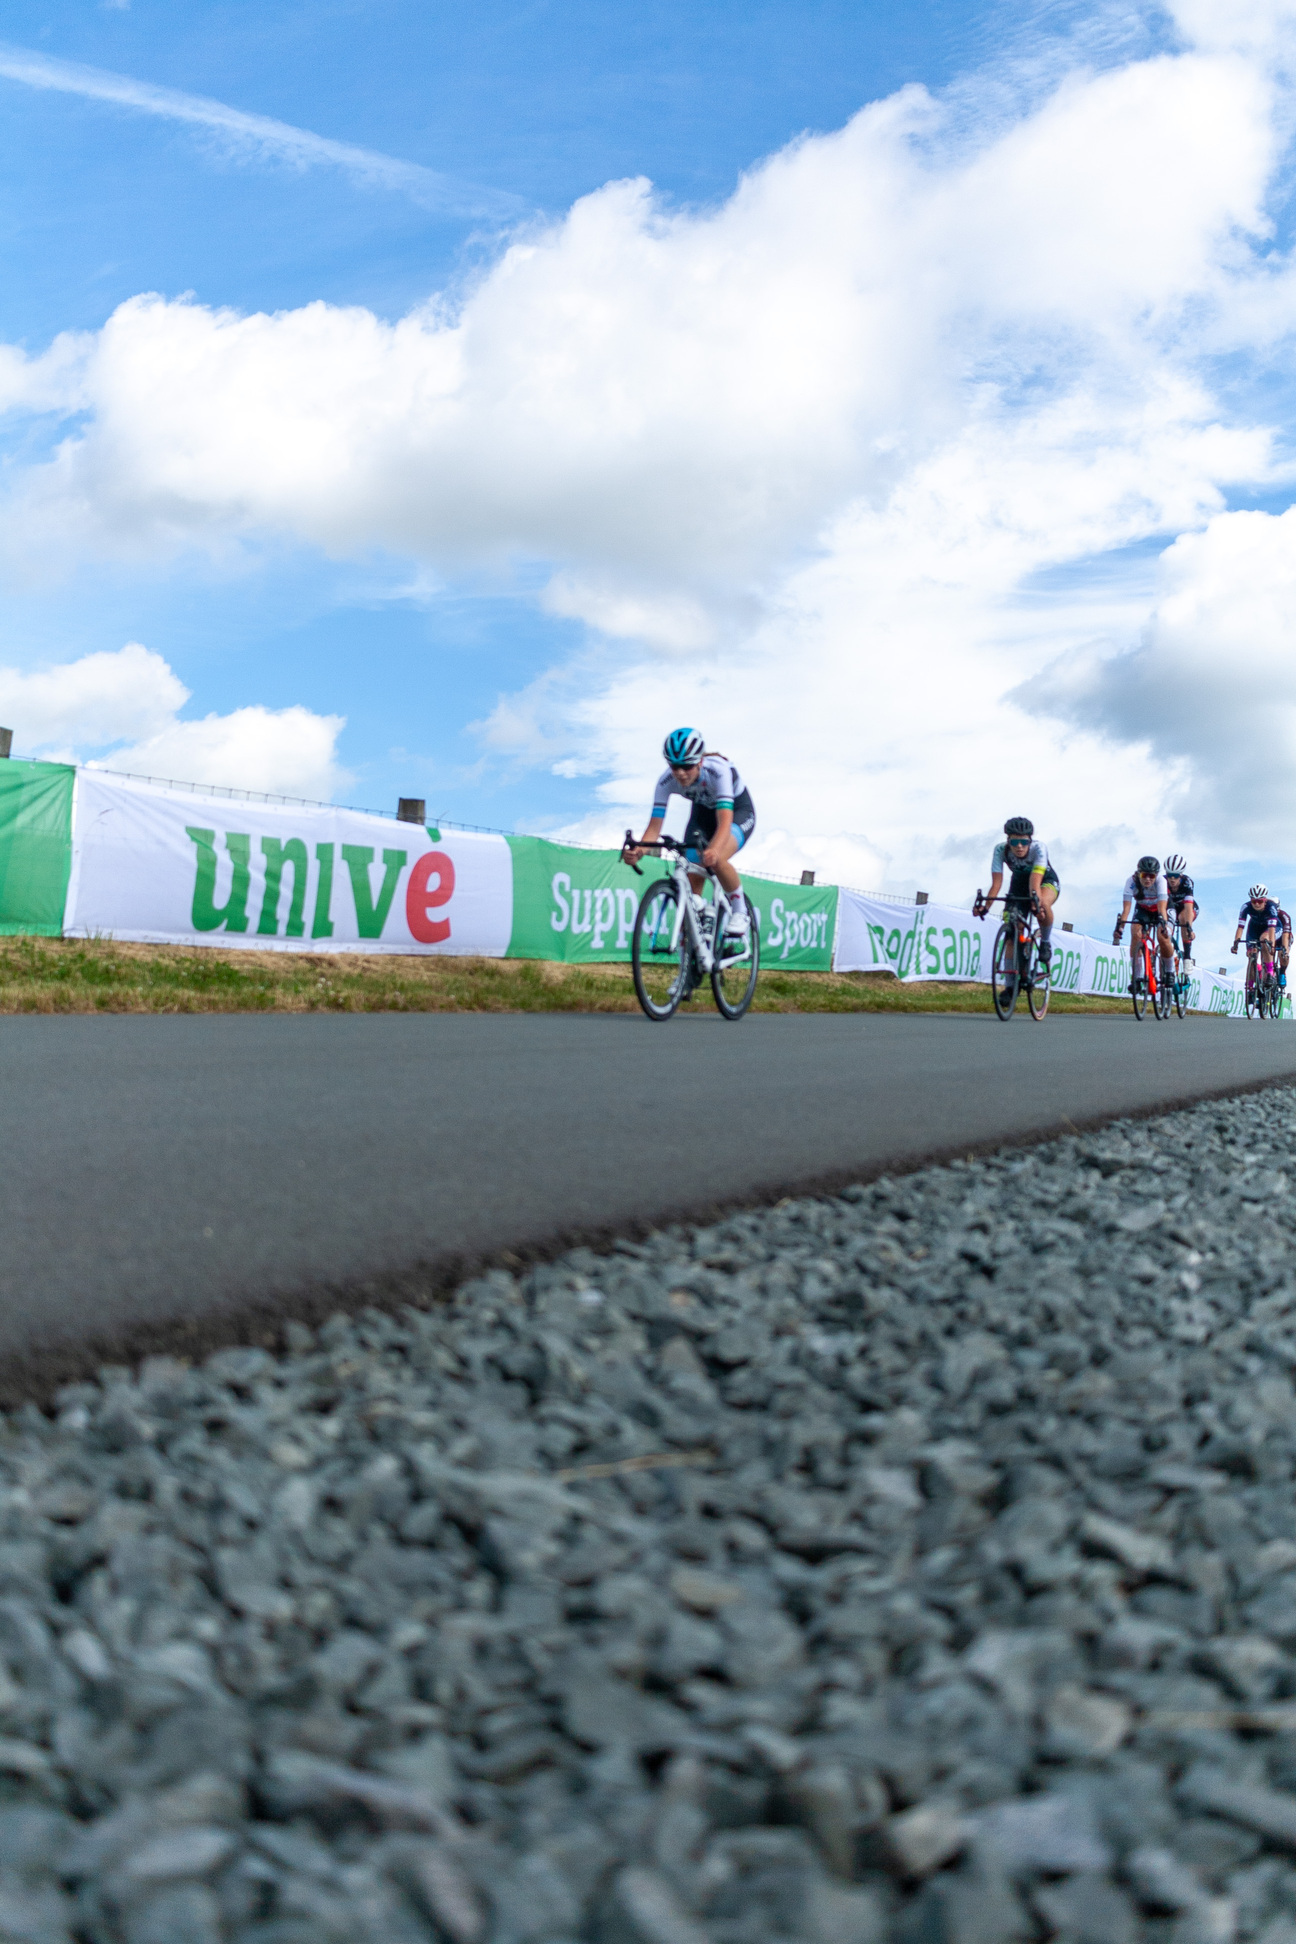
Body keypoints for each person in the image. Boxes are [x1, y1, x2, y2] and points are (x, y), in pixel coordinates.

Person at [624, 728, 756, 948]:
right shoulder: (665, 781)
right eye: (674, 766)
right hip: (702, 815)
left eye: (686, 766)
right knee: (693, 869)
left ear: (700, 762)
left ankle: (740, 912)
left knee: (717, 857)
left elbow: (724, 821)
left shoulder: (719, 771)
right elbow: (654, 828)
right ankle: (695, 951)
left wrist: (714, 850)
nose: (681, 773)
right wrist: (638, 852)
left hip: (736, 812)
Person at [973, 817, 1058, 963]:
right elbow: (996, 884)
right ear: (1008, 841)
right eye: (1014, 842)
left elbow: (1035, 881)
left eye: (1024, 842)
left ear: (1030, 841)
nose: (1019, 846)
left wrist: (1035, 905)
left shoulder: (1039, 848)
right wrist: (986, 907)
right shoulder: (1000, 850)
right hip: (1019, 883)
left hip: (1044, 880)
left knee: (1042, 903)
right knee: (1012, 930)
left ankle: (1045, 942)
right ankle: (1010, 984)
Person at [1114, 857, 1174, 990]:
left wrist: (1164, 925)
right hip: (1143, 909)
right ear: (1138, 873)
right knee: (1135, 935)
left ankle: (1170, 971)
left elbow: (1162, 908)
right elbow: (1126, 910)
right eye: (1144, 875)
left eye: (1151, 876)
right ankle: (1136, 978)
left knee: (1162, 937)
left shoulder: (1161, 881)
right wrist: (1120, 928)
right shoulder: (1131, 882)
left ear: (1156, 875)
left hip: (1161, 908)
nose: (1148, 879)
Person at [1232, 884, 1282, 995]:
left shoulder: (1271, 907)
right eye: (1254, 901)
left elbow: (1272, 929)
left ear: (1265, 900)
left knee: (1264, 939)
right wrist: (1236, 943)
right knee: (1251, 955)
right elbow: (1240, 927)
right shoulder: (1246, 907)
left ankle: (1269, 973)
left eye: (1260, 901)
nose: (1257, 904)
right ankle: (1250, 987)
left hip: (1272, 928)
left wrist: (1272, 946)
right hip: (1254, 928)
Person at [1163, 854, 1197, 962]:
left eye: (1176, 876)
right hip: (1170, 908)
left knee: (1183, 918)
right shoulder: (1162, 882)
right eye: (1169, 875)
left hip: (1185, 908)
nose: (1172, 879)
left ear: (1181, 875)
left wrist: (1189, 928)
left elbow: (1188, 907)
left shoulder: (1187, 883)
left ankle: (1187, 957)